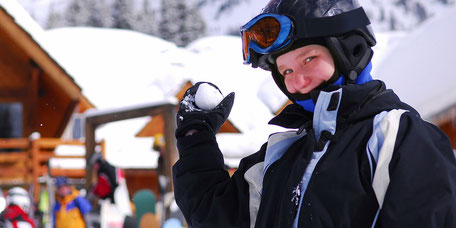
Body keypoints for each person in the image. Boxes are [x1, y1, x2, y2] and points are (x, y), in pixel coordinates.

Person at [172, 0, 456, 227]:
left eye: (309, 59)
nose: (298, 81)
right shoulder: (282, 156)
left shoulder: (397, 138)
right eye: (286, 71)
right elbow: (217, 216)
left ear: (350, 50)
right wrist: (195, 137)